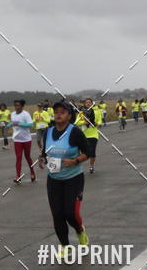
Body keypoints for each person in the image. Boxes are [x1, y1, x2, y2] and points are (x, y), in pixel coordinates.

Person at [39, 100, 90, 254]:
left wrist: (75, 160)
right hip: (54, 180)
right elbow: (45, 152)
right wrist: (42, 158)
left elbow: (88, 152)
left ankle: (80, 231)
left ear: (69, 115)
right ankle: (65, 246)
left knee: (70, 213)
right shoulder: (48, 131)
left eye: (62, 112)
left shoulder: (75, 132)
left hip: (73, 179)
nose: (58, 115)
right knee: (57, 214)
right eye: (56, 112)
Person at [11, 99, 35, 184]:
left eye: (18, 105)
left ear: (22, 106)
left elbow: (31, 125)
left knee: (27, 157)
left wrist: (19, 124)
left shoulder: (26, 114)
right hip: (17, 139)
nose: (16, 107)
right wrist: (8, 124)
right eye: (15, 105)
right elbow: (13, 123)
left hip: (26, 139)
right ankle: (18, 176)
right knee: (18, 158)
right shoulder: (12, 114)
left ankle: (32, 172)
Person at [81, 98, 100, 174]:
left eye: (90, 102)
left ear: (92, 103)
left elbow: (99, 121)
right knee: (84, 152)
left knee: (92, 151)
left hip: (93, 134)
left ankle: (91, 166)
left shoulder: (96, 111)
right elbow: (77, 122)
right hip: (84, 134)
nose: (88, 104)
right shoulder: (81, 113)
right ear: (84, 104)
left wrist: (97, 123)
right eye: (86, 102)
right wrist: (84, 122)